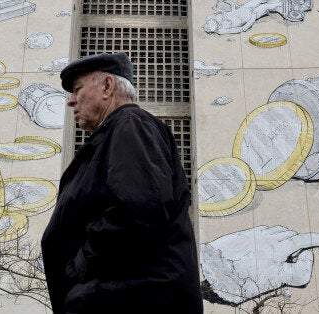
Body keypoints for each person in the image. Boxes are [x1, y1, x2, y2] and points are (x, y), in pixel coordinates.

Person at [41, 52, 203, 314]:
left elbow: (140, 209)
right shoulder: (116, 132)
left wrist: (80, 268)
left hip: (127, 298)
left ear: (107, 86)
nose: (71, 101)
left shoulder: (130, 124)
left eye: (77, 89)